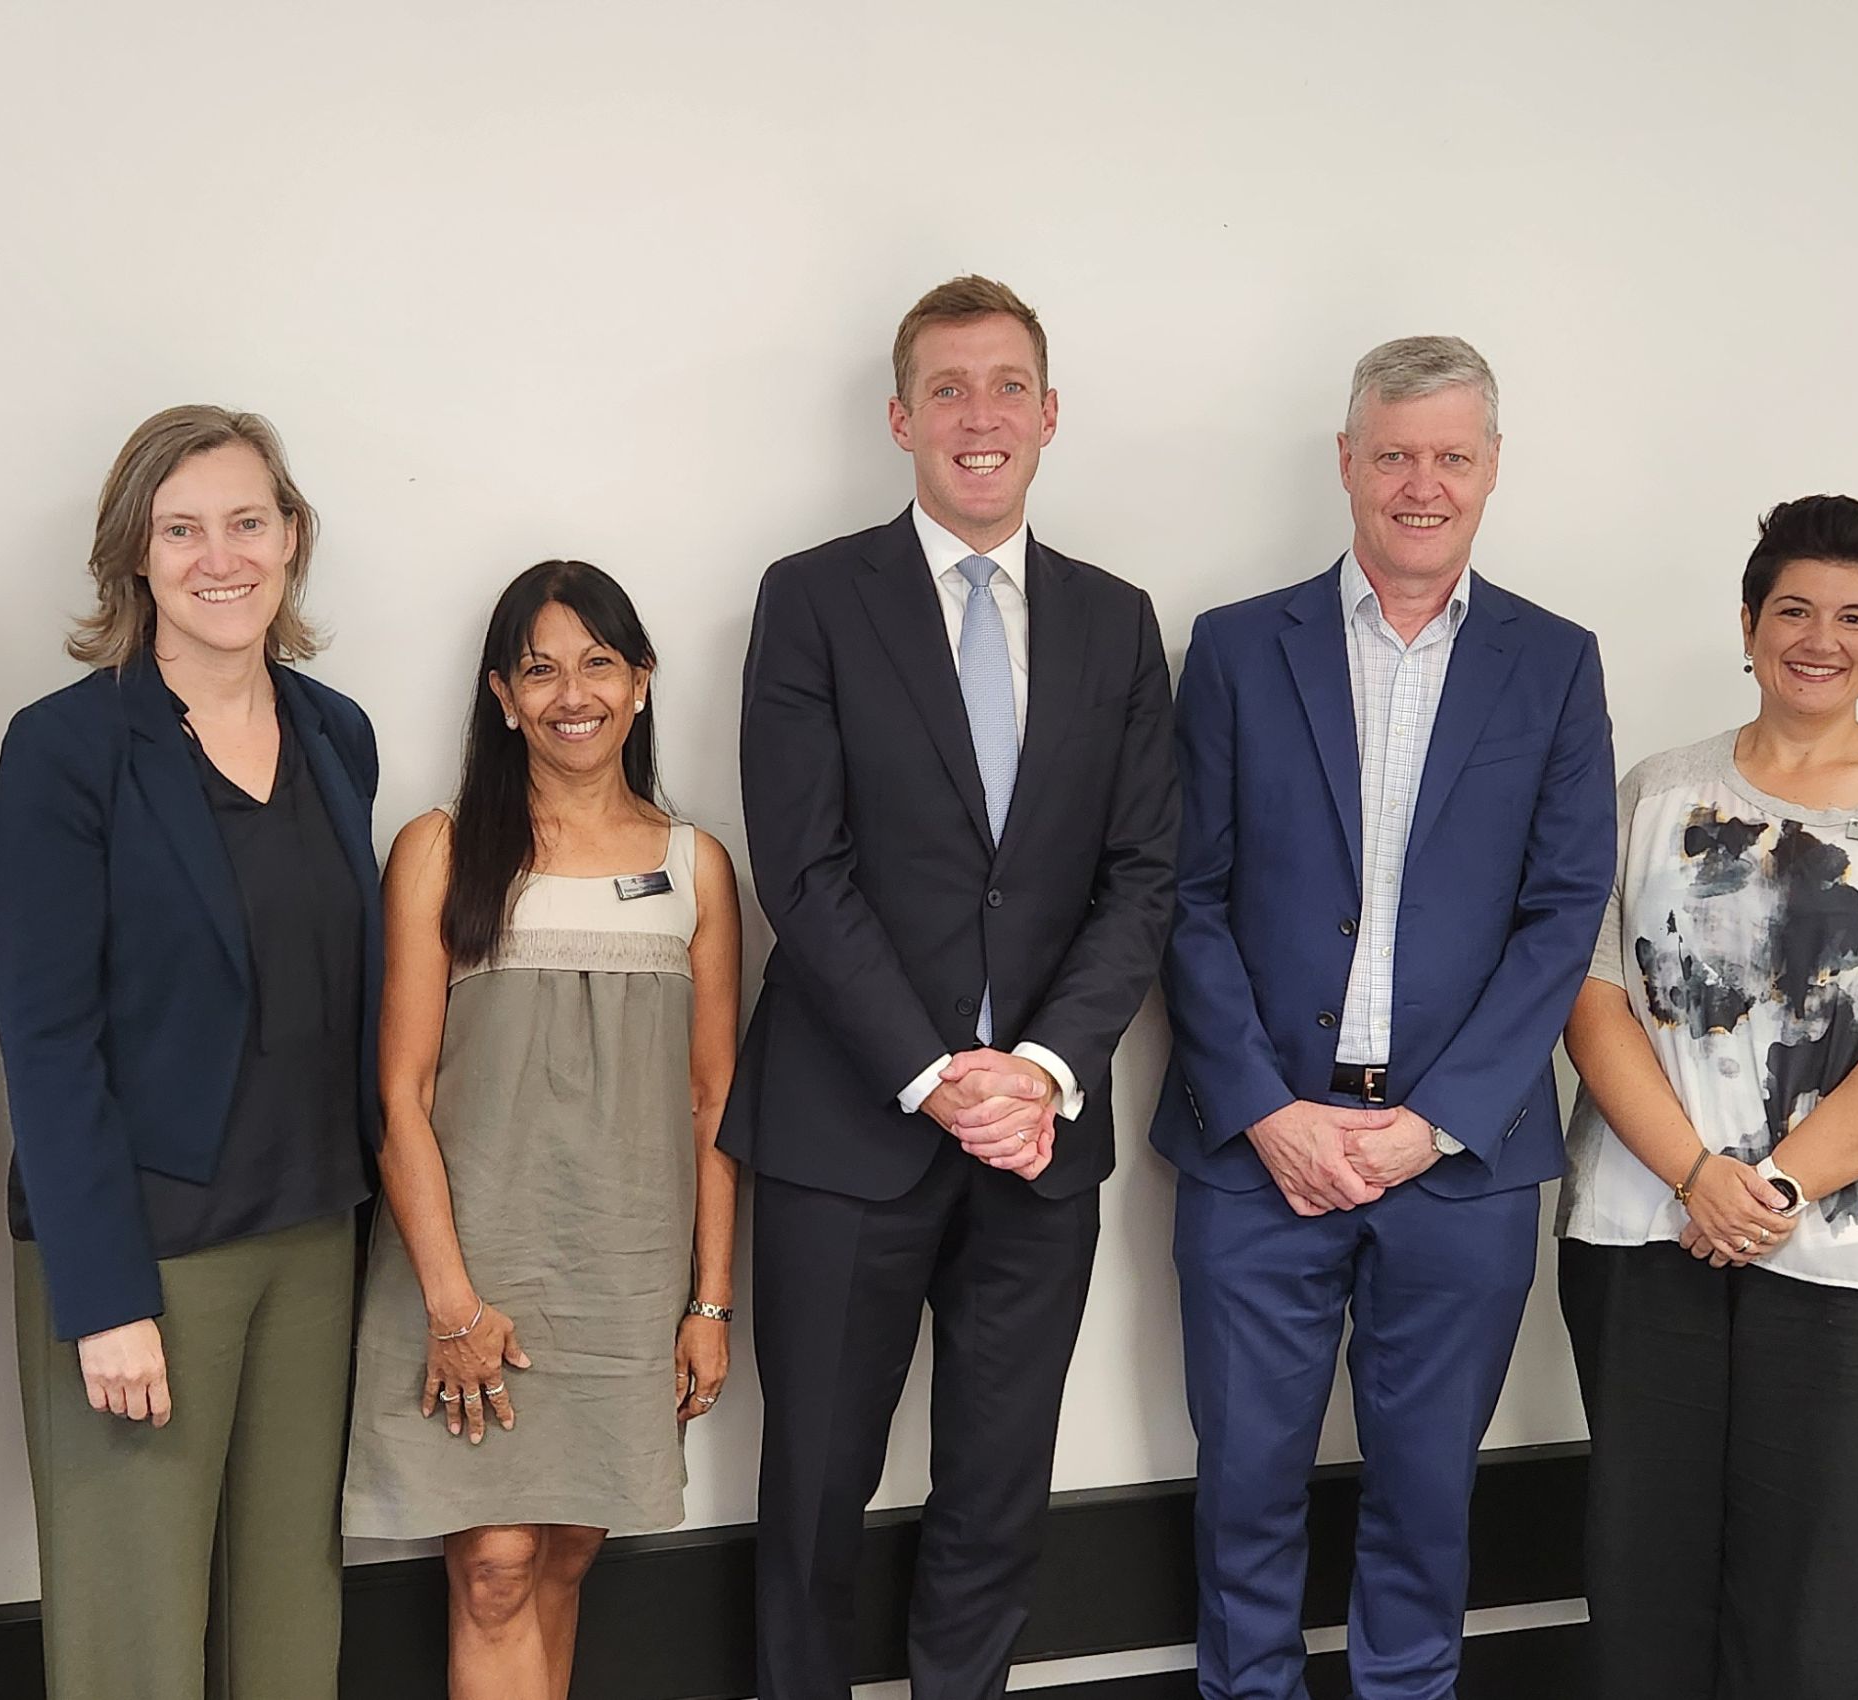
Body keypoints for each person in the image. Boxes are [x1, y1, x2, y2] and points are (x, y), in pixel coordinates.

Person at [722, 275, 1179, 1699]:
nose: (978, 416)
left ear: (1049, 415)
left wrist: (1035, 1075)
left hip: (1040, 1145)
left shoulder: (1116, 621)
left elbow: (1143, 878)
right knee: (813, 1494)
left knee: (999, 1490)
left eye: (1006, 387)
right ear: (902, 417)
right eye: (949, 388)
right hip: (848, 1129)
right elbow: (800, 872)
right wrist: (937, 1077)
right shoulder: (810, 599)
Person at [1151, 336, 1617, 1700]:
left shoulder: (1556, 662)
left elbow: (1563, 910)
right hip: (1257, 1152)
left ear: (1490, 472)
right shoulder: (1237, 650)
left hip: (1461, 1165)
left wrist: (1437, 1122)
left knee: (1427, 1497)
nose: (1423, 484)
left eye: (1452, 458)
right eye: (1396, 454)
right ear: (1347, 463)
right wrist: (1268, 1109)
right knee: (1246, 1488)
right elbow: (1186, 897)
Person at [1556, 494, 1858, 1700]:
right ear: (1747, 623)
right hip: (1653, 1235)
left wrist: (1781, 1182)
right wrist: (1700, 1176)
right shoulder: (1653, 789)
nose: (1820, 635)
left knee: (1846, 1594)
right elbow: (1590, 999)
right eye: (1792, 606)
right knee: (1653, 1577)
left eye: (1854, 615)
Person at [0, 406, 381, 1700]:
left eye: (248, 522)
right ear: (134, 557)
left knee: (289, 1634)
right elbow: (44, 1040)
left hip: (315, 1238)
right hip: (142, 1255)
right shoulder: (65, 750)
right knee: (134, 1645)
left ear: (292, 538)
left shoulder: (336, 734)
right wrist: (103, 1300)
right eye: (182, 528)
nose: (222, 556)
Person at [343, 560, 742, 1700]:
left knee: (566, 1548)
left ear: (642, 682)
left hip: (626, 1266)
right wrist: (451, 1301)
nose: (574, 692)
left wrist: (709, 1303)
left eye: (599, 662)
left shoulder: (693, 866)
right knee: (496, 1566)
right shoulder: (438, 847)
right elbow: (400, 1097)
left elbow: (715, 1100)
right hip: (470, 1267)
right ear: (503, 695)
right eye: (540, 668)